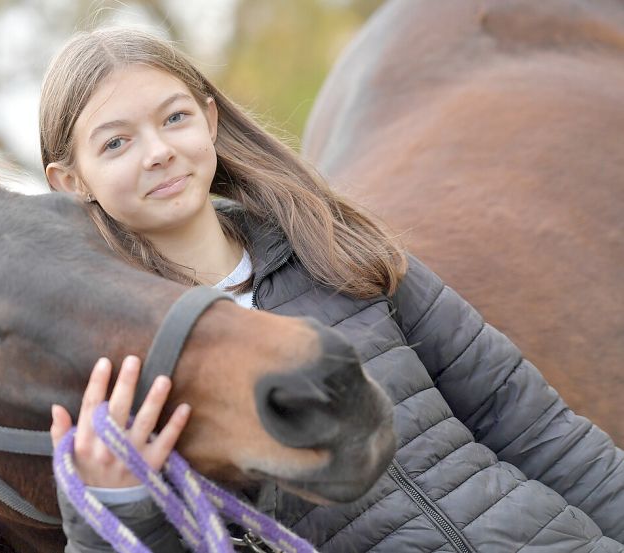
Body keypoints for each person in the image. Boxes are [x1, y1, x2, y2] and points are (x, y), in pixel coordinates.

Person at [40, 27, 624, 552]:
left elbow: (527, 422)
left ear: (210, 122)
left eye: (174, 118)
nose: (159, 151)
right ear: (70, 182)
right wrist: (108, 513)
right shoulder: (115, 374)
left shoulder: (332, 247)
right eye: (116, 143)